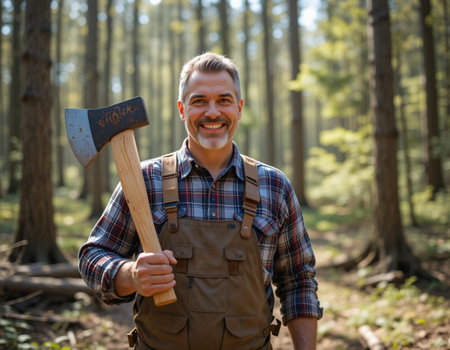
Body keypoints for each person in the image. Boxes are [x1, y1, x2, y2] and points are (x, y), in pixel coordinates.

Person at [79, 52, 322, 350]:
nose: (212, 112)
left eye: (223, 100)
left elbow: (298, 281)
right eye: (199, 101)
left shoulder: (274, 186)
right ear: (182, 109)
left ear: (239, 108)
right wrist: (129, 275)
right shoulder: (143, 181)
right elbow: (93, 256)